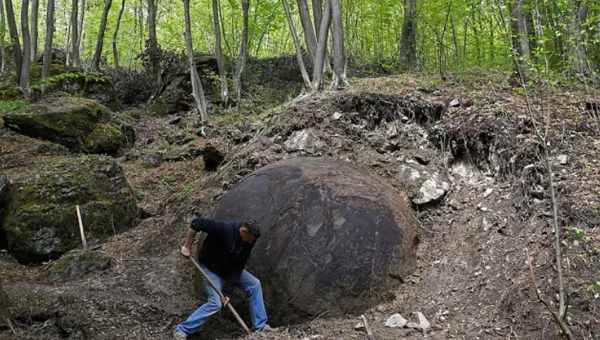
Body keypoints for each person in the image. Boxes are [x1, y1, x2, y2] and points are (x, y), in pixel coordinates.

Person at [174, 216, 271, 339]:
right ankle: (182, 330)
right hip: (211, 269)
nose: (251, 243)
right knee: (216, 303)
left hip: (229, 270)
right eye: (250, 239)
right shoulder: (224, 228)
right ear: (244, 232)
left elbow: (238, 267)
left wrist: (226, 292)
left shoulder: (250, 239)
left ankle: (260, 327)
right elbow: (195, 223)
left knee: (255, 284)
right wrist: (187, 246)